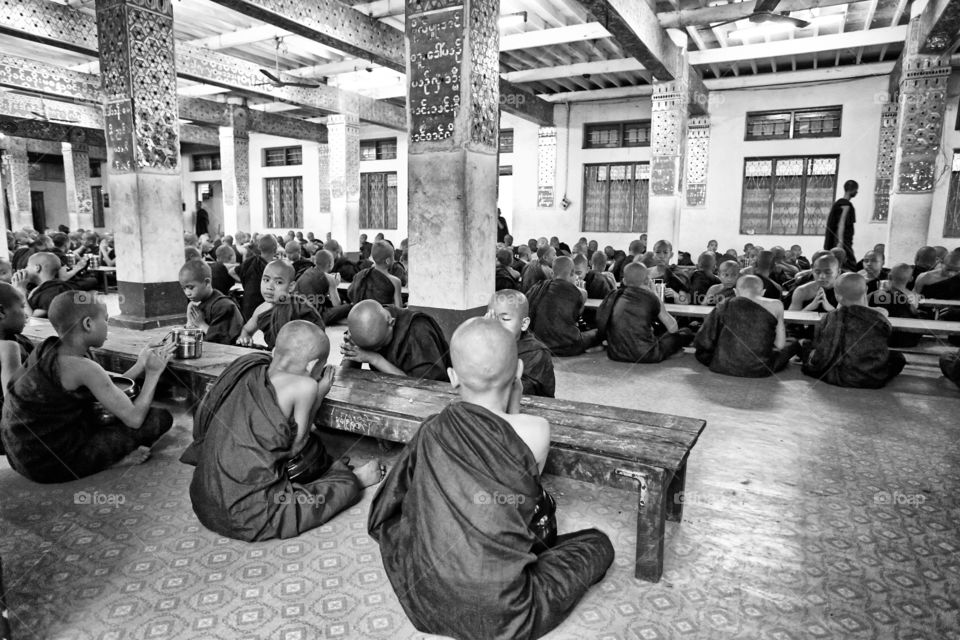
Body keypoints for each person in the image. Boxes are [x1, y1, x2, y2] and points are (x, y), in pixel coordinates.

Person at [368, 318, 614, 640]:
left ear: (453, 377)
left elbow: (395, 499)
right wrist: (515, 397)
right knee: (597, 544)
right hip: (502, 612)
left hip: (425, 599)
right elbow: (521, 483)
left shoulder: (432, 429)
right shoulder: (537, 430)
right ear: (519, 370)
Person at [183, 321, 384, 541]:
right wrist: (319, 394)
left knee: (314, 453)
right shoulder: (305, 386)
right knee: (315, 499)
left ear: (275, 350)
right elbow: (295, 447)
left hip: (203, 499)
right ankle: (354, 481)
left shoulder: (249, 365)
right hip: (246, 516)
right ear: (312, 365)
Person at [1, 291, 174, 482]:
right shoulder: (82, 366)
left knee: (108, 415)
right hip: (50, 464)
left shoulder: (51, 349)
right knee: (159, 418)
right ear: (88, 324)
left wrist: (140, 364)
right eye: (106, 320)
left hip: (20, 456)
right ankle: (112, 462)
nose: (108, 327)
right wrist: (153, 373)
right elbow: (134, 419)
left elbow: (106, 388)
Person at [801, 273, 905, 388]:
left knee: (806, 346)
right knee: (898, 358)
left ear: (837, 296)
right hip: (870, 377)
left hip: (832, 375)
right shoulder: (878, 317)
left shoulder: (830, 317)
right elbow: (886, 339)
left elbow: (820, 346)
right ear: (866, 290)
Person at [694, 275, 801, 377]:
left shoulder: (724, 304)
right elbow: (780, 345)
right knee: (793, 343)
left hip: (721, 366)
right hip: (761, 369)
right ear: (763, 292)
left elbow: (704, 340)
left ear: (735, 292)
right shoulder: (776, 304)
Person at [596, 262, 692, 363]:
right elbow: (673, 328)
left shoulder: (614, 295)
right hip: (647, 354)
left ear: (624, 280)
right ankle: (674, 351)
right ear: (647, 280)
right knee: (685, 332)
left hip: (615, 353)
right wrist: (655, 294)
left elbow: (602, 322)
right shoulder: (651, 298)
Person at [341, 300, 449, 381]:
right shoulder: (365, 321)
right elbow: (345, 378)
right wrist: (351, 349)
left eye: (380, 345)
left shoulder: (419, 331)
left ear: (391, 322)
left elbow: (424, 387)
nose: (378, 350)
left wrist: (374, 358)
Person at [238, 260, 325, 350]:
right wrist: (245, 338)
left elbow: (320, 339)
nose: (269, 287)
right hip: (273, 355)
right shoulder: (261, 310)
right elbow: (247, 330)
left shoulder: (300, 307)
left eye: (278, 282)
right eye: (266, 280)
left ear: (291, 286)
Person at [486, 290, 555, 398]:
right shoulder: (484, 343)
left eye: (505, 319)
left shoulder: (536, 352)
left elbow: (519, 391)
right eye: (492, 317)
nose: (496, 324)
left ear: (524, 324)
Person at [526, 256, 598, 357]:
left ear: (552, 273)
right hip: (565, 345)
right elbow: (577, 317)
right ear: (573, 273)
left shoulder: (537, 287)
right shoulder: (579, 293)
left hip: (538, 343)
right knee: (597, 332)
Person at [179, 259, 243, 345]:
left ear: (207, 282)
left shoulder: (224, 306)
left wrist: (201, 324)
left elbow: (222, 341)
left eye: (190, 287)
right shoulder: (201, 303)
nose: (187, 293)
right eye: (184, 288)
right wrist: (189, 320)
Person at [0, 283, 32, 455]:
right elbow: (16, 405)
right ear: (1, 312)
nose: (26, 314)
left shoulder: (21, 340)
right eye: (22, 307)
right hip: (9, 432)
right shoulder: (9, 347)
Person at [869, 263, 921, 348]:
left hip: (880, 338)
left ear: (889, 276)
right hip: (907, 339)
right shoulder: (914, 297)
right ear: (911, 279)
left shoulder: (874, 295)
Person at [13, 252, 76, 318]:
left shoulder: (54, 291)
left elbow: (33, 319)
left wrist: (21, 291)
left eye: (27, 266)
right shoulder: (38, 287)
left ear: (37, 268)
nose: (25, 269)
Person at [296, 249, 348, 325]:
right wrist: (334, 285)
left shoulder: (308, 271)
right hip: (315, 316)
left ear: (315, 262)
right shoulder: (329, 278)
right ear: (330, 264)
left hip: (298, 312)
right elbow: (337, 304)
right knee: (348, 307)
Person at [233, 234, 277, 321]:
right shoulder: (271, 268)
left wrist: (245, 281)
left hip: (246, 304)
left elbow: (232, 272)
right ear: (275, 249)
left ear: (259, 248)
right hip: (262, 307)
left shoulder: (251, 260)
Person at [348, 241, 403, 308]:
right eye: (393, 256)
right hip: (383, 316)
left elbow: (351, 294)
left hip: (362, 314)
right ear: (388, 260)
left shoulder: (361, 275)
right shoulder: (395, 281)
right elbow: (399, 308)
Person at [824, 180, 858, 270]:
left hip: (841, 238)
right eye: (856, 190)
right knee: (848, 263)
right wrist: (840, 242)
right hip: (842, 239)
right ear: (853, 190)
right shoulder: (845, 205)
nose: (857, 192)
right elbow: (841, 223)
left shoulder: (839, 203)